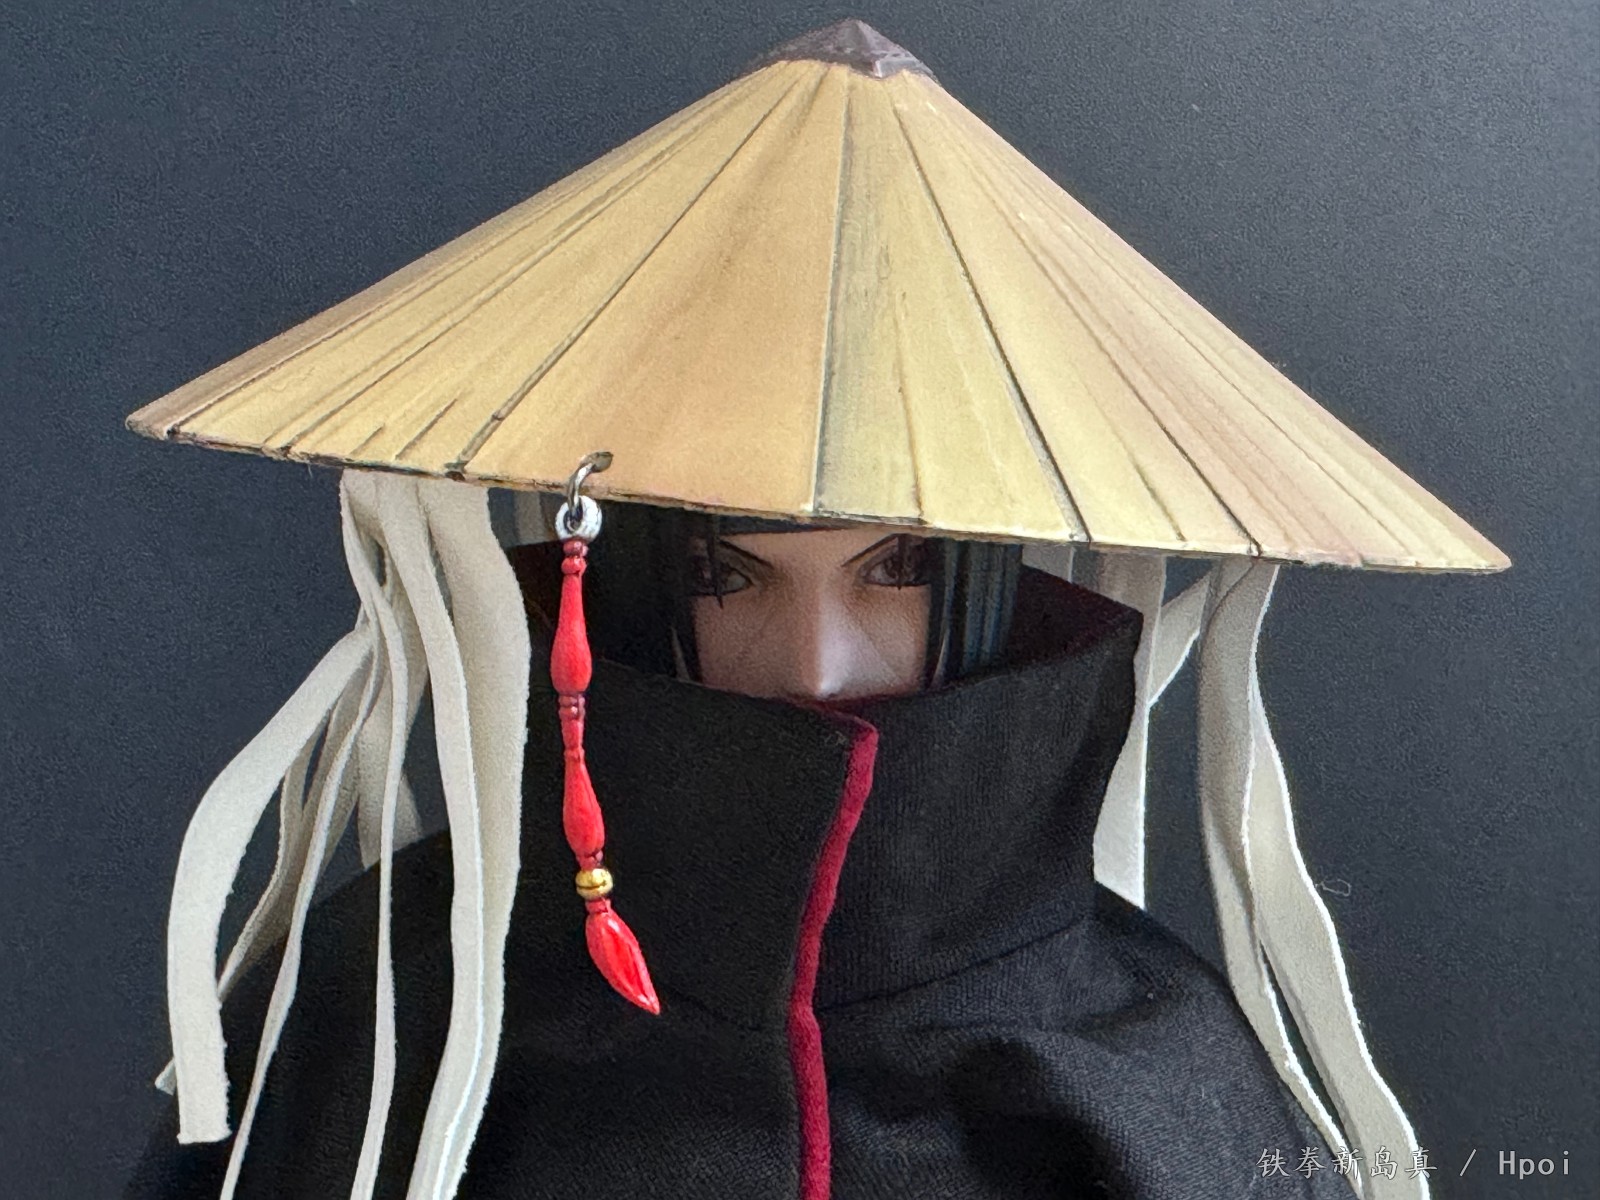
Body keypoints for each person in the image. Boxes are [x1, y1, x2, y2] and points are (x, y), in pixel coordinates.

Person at [122, 18, 1507, 1199]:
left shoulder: (1146, 1063)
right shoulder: (390, 1010)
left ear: (990, 581)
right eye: (724, 574)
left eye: (898, 570)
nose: (815, 666)